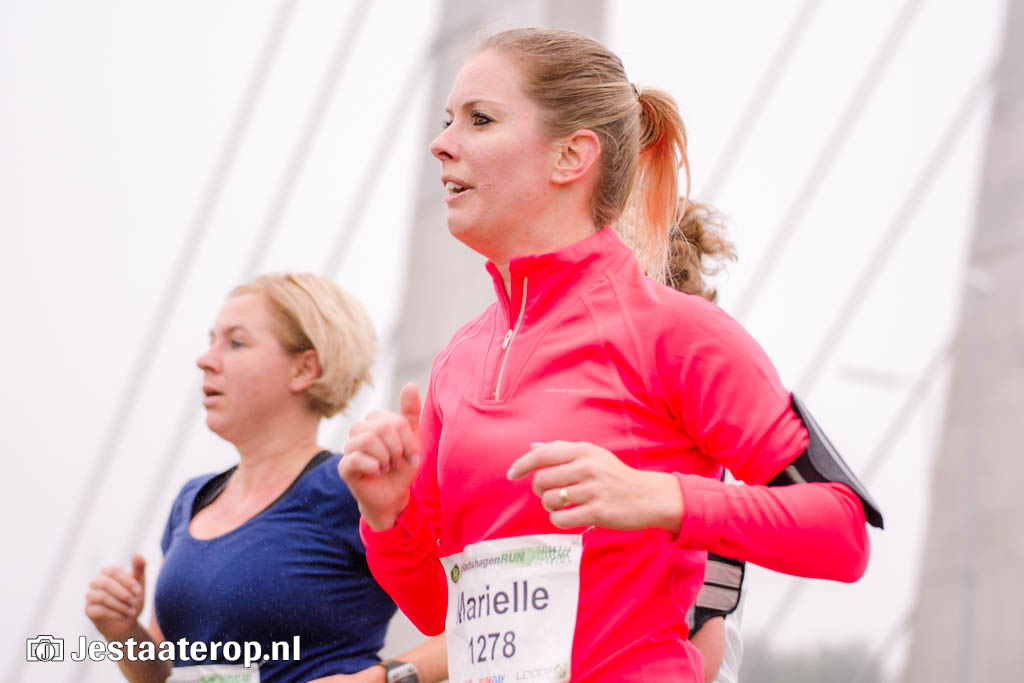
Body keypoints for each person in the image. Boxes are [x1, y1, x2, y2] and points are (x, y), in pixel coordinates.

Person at [339, 28, 879, 682]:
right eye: (446, 119)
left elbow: (843, 533)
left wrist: (662, 497)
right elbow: (440, 609)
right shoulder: (458, 360)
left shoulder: (679, 333)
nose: (442, 142)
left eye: (479, 119)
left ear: (572, 156)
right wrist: (388, 516)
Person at [84, 273, 446, 683]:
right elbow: (160, 674)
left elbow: (467, 623)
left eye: (236, 343)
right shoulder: (192, 499)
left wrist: (381, 679)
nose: (205, 360)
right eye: (211, 341)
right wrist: (122, 632)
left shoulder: (354, 486)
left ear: (304, 369)